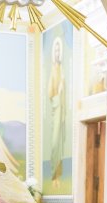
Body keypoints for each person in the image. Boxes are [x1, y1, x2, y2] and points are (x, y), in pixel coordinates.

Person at [47, 37, 66, 190]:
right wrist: (58, 94)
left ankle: (58, 175)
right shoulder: (53, 69)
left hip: (63, 110)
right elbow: (50, 92)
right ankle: (54, 176)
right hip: (56, 107)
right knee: (54, 143)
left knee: (61, 143)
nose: (58, 53)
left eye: (60, 50)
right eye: (56, 50)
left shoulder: (62, 69)